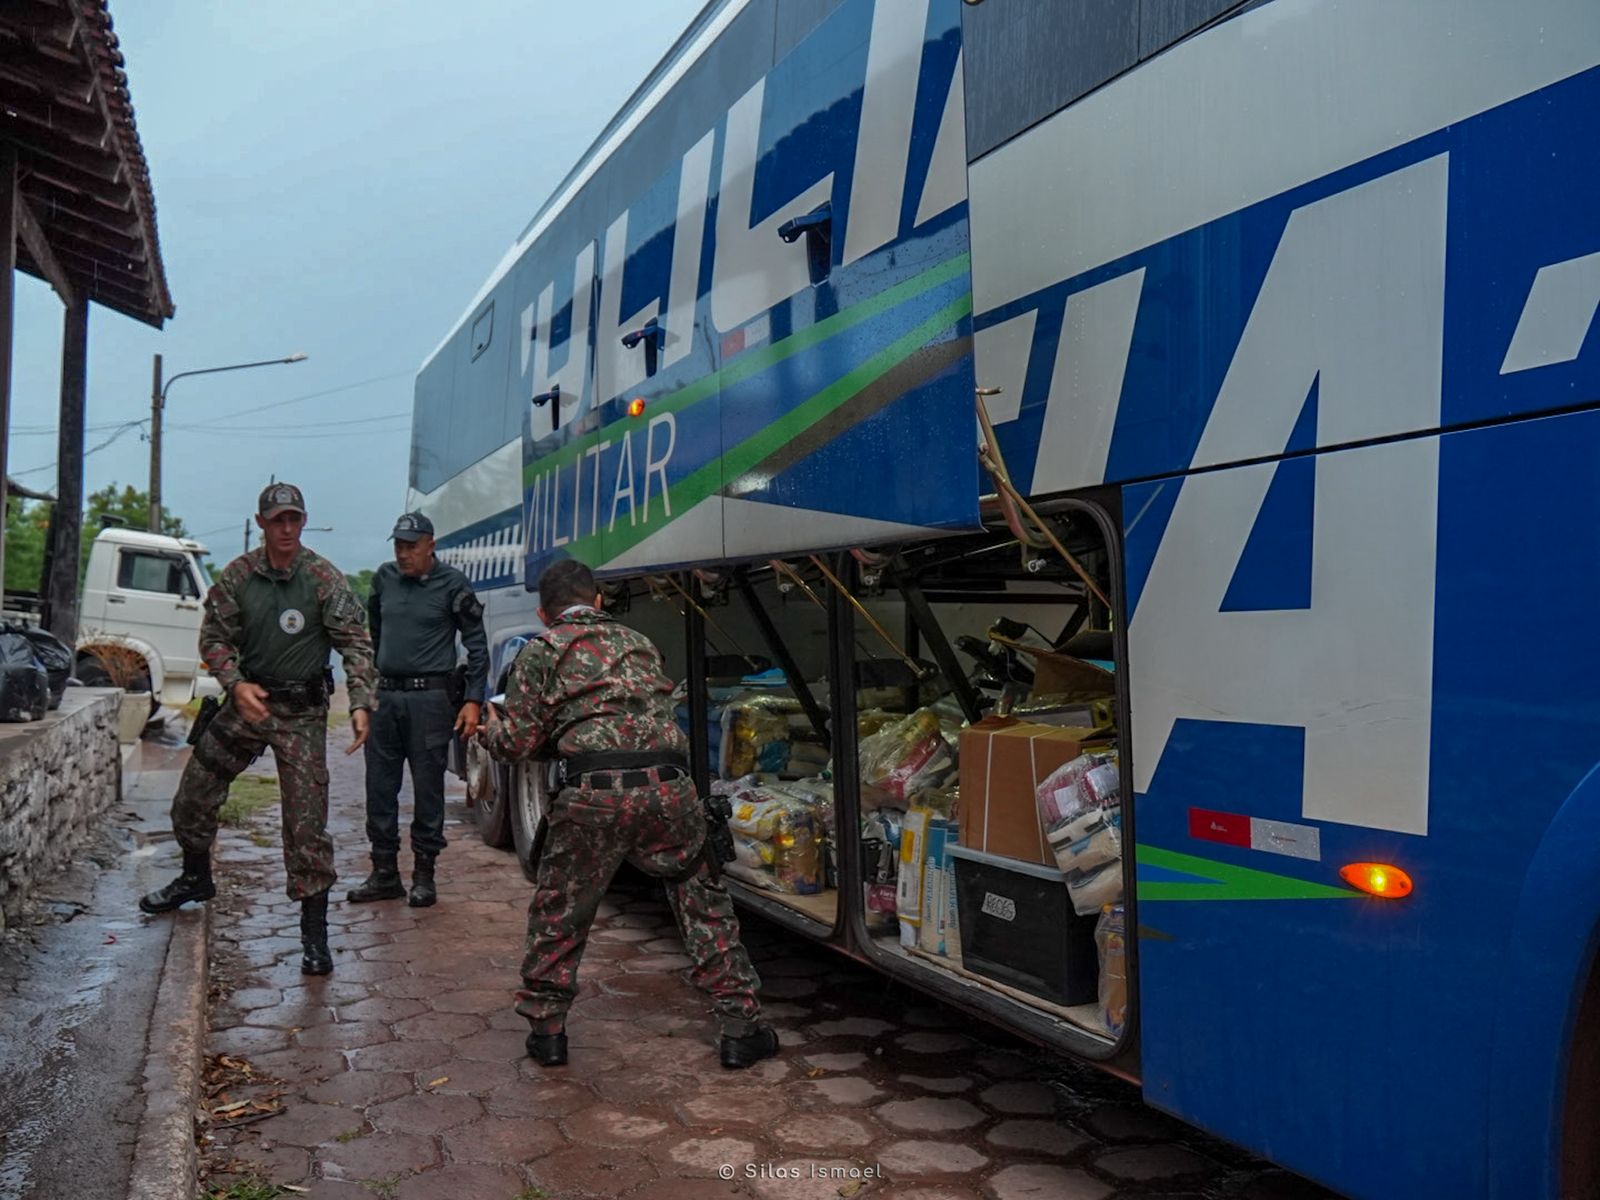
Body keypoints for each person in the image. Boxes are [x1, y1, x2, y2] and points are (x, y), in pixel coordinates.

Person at [482, 558, 777, 1070]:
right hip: (668, 790)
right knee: (702, 902)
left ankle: (548, 1031)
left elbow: (519, 744)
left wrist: (490, 727)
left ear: (543, 613)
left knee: (562, 908)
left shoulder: (541, 651)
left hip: (593, 794)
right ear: (598, 602)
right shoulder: (639, 643)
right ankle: (740, 1026)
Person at [139, 483, 376, 977]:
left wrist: (360, 703)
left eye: (293, 519)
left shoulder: (322, 578)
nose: (286, 529)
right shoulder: (239, 576)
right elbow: (214, 636)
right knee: (193, 796)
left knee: (306, 826)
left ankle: (314, 936)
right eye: (276, 520)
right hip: (247, 706)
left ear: (303, 521)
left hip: (302, 715)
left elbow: (356, 643)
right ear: (262, 522)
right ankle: (194, 878)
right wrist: (235, 681)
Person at [347, 511, 487, 908]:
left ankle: (424, 875)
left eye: (411, 546)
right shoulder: (383, 579)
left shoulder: (453, 584)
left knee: (428, 789)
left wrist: (473, 700)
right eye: (398, 546)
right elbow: (374, 633)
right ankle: (384, 873)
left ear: (431, 544)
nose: (404, 553)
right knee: (379, 788)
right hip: (386, 698)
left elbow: (477, 645)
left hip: (431, 701)